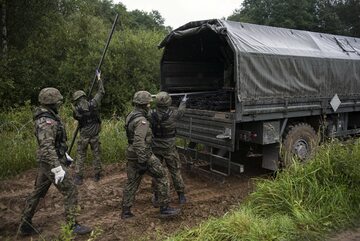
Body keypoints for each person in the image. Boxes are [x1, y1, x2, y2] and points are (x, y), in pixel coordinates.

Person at [18, 87, 91, 236]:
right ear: (51, 103)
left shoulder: (48, 117)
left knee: (38, 193)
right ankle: (72, 225)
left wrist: (63, 154)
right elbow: (46, 146)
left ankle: (25, 225)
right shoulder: (47, 121)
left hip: (48, 161)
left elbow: (53, 143)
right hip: (50, 162)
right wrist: (57, 167)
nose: (59, 104)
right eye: (57, 102)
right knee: (70, 190)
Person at [121, 91, 180, 219]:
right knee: (162, 175)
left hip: (131, 154)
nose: (149, 105)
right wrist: (143, 161)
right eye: (148, 103)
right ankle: (164, 207)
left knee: (132, 181)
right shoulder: (142, 121)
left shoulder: (131, 115)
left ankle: (126, 211)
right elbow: (138, 142)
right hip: (142, 154)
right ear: (145, 104)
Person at [150, 92, 187, 207]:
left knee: (157, 173)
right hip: (169, 148)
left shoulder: (151, 114)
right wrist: (184, 101)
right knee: (175, 171)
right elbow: (181, 111)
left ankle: (156, 196)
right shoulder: (173, 114)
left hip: (156, 148)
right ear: (168, 102)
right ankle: (181, 196)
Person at [72, 70, 105, 185]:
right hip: (95, 135)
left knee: (81, 155)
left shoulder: (76, 110)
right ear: (84, 96)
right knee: (96, 155)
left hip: (84, 136)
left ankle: (78, 177)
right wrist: (99, 78)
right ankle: (97, 175)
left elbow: (77, 117)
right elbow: (101, 91)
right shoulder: (94, 103)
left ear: (76, 100)